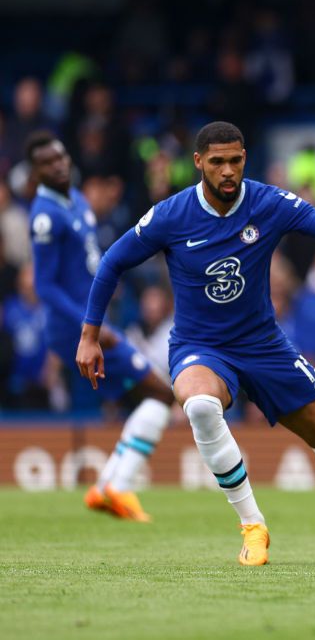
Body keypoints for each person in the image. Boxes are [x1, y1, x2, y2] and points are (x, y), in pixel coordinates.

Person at [76, 121, 315, 566]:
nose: (227, 171)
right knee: (199, 405)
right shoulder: (171, 215)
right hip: (200, 345)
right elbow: (112, 261)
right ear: (198, 164)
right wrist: (89, 335)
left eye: (235, 161)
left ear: (244, 158)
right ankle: (252, 525)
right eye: (217, 162)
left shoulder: (268, 203)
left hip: (264, 344)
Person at [26, 131, 175, 522]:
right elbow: (45, 286)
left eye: (60, 157)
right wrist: (89, 329)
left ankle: (110, 486)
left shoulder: (74, 199)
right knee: (161, 394)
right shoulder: (45, 216)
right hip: (78, 329)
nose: (58, 164)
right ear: (36, 172)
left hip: (94, 321)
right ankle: (114, 486)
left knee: (152, 397)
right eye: (48, 162)